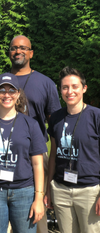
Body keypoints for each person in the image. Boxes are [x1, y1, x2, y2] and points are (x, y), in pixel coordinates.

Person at [0, 35, 61, 232]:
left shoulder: (46, 83)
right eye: (14, 48)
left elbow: (55, 124)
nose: (18, 51)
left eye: (23, 48)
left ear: (31, 53)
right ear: (9, 52)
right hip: (0, 154)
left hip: (34, 153)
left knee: (35, 212)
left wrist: (54, 157)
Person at [0, 73, 46, 233]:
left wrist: (39, 198)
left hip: (24, 192)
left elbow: (38, 164)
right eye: (2, 91)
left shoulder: (31, 125)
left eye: (11, 90)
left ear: (18, 94)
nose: (7, 95)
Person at [45, 66, 100, 233]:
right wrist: (49, 188)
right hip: (61, 190)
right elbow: (53, 155)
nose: (70, 91)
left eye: (75, 86)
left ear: (84, 88)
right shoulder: (56, 117)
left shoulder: (96, 116)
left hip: (89, 192)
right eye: (65, 87)